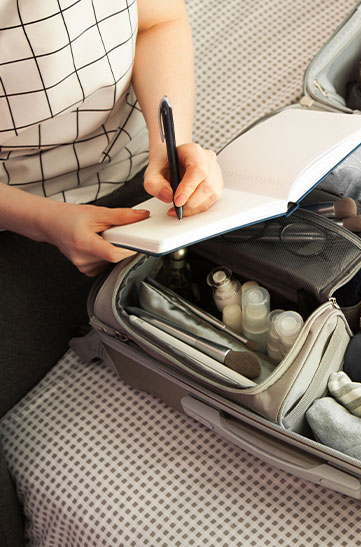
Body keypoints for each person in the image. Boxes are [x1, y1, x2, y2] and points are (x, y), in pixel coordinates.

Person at [0, 1, 223, 542]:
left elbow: (159, 20)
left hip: (142, 179)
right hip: (19, 215)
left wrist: (174, 142)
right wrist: (42, 221)